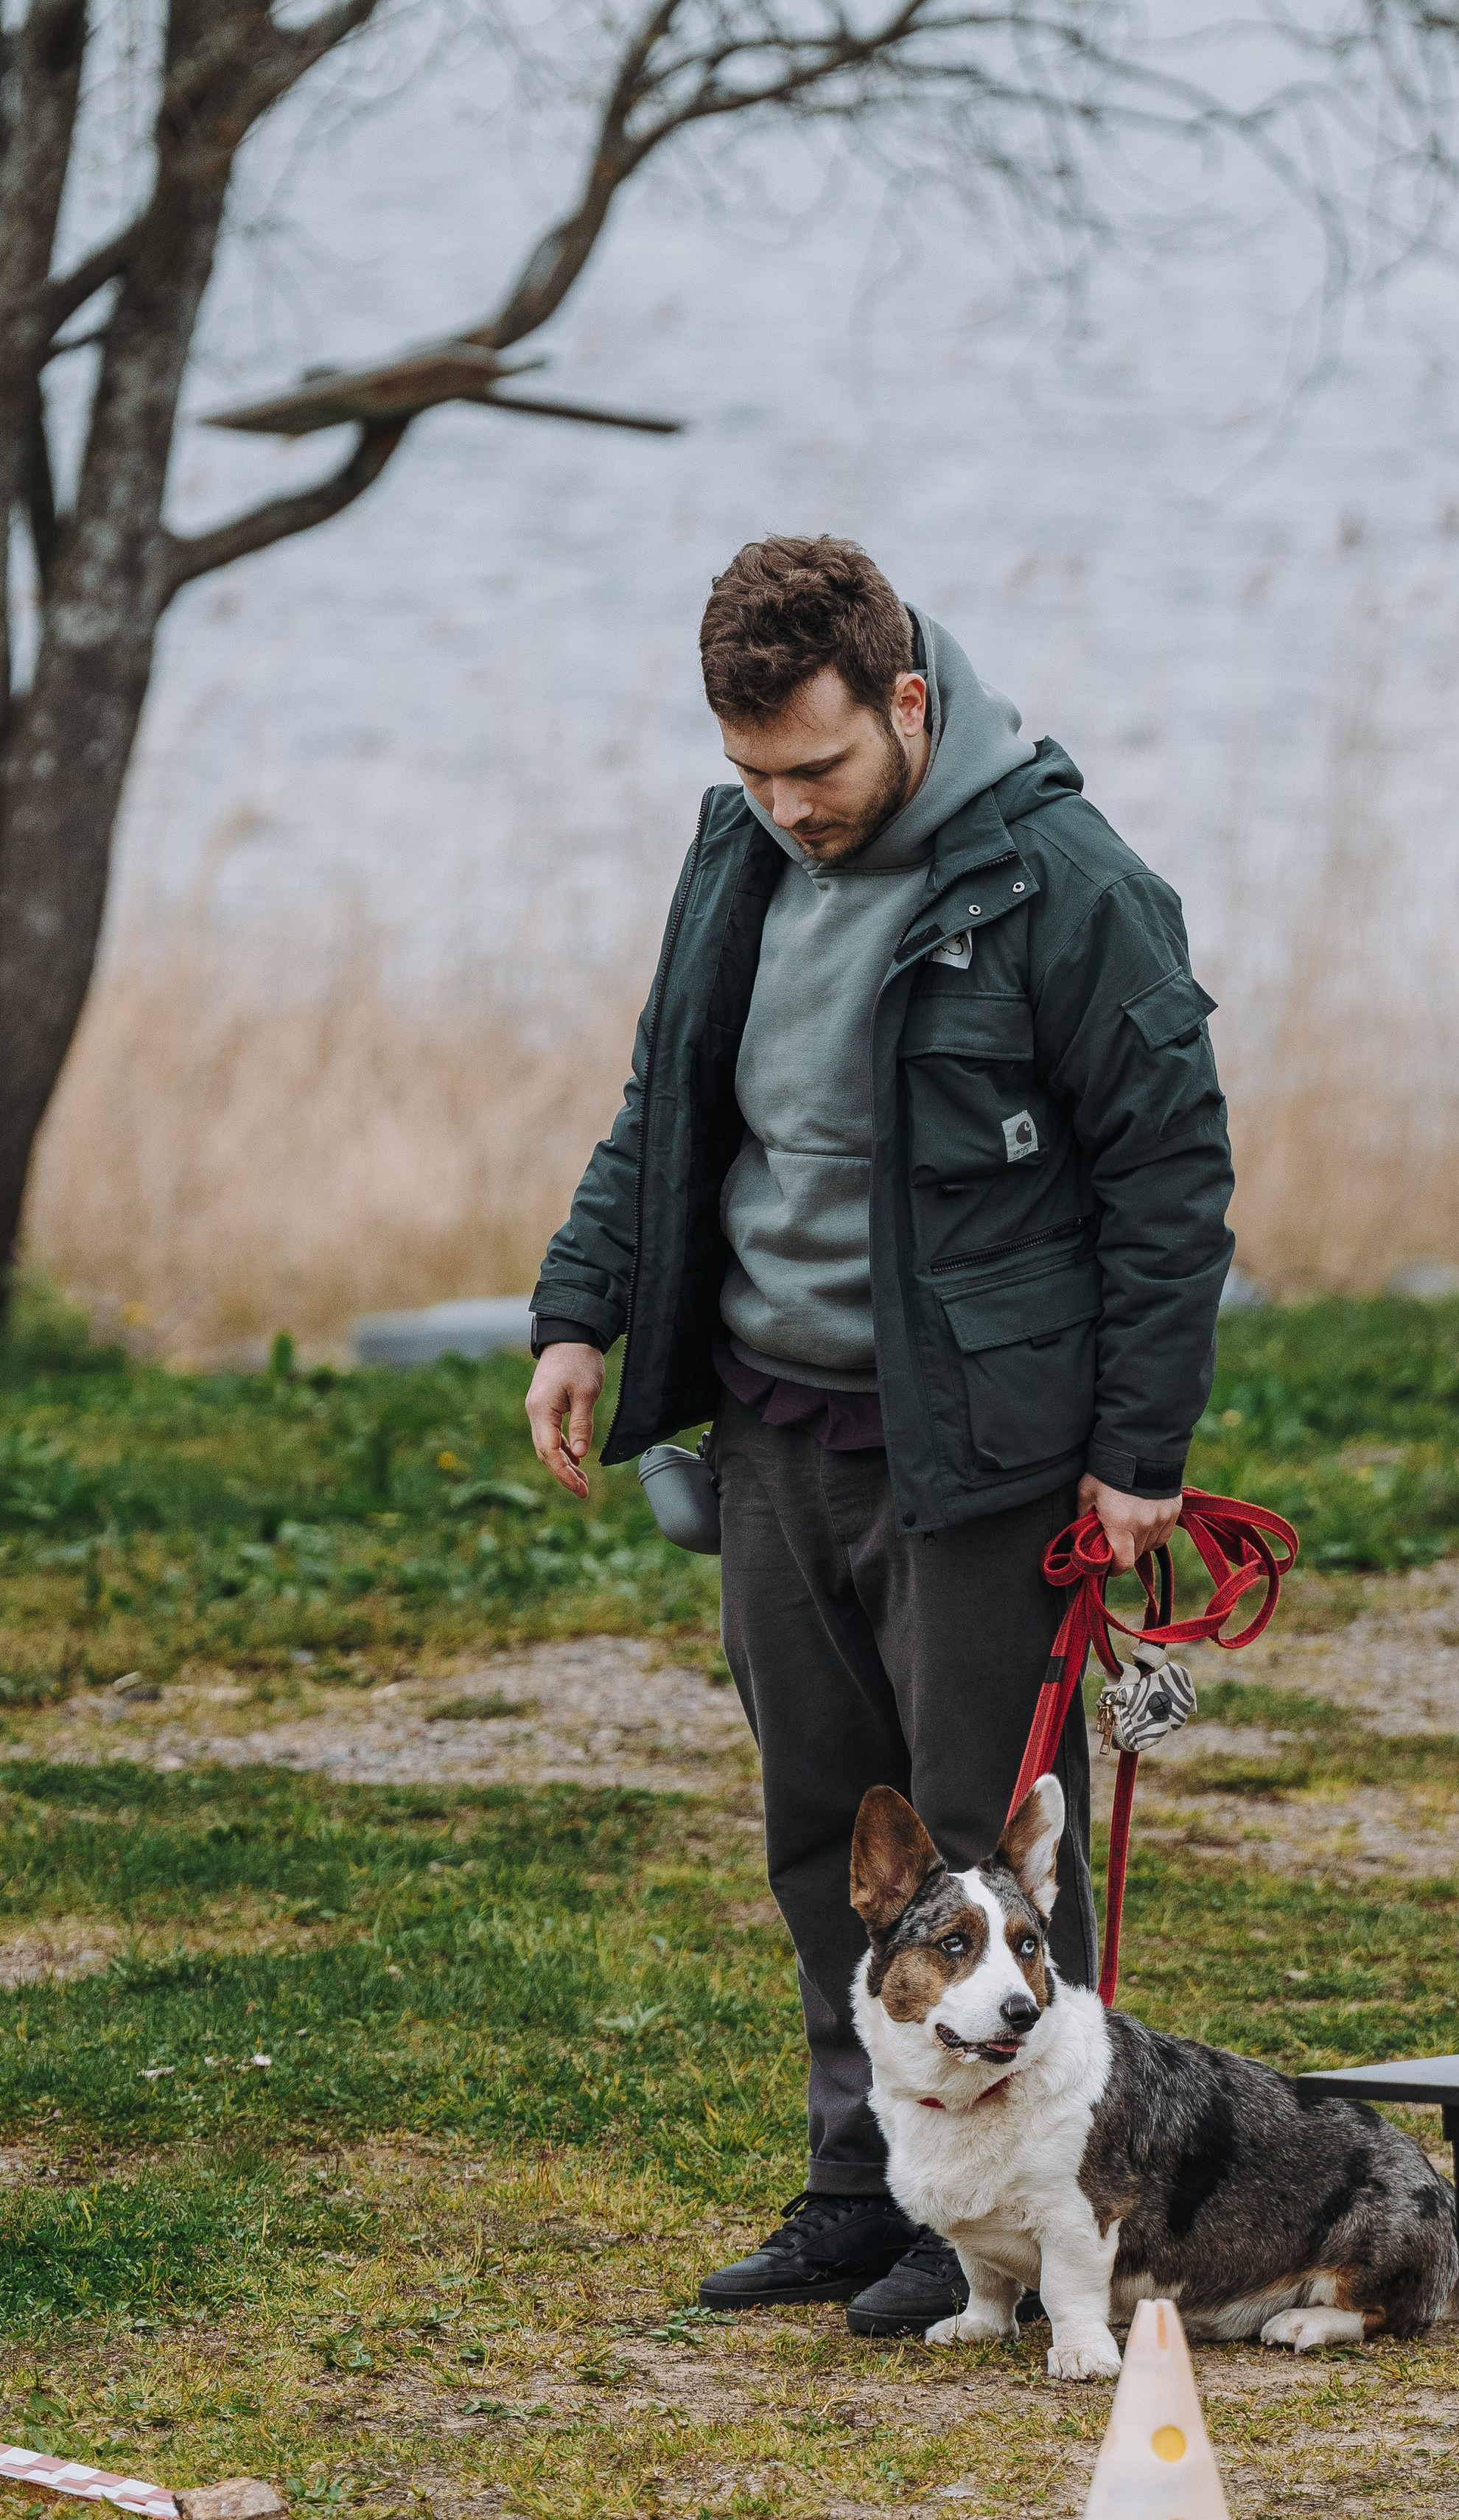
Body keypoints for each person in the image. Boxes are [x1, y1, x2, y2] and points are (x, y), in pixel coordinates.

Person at [525, 536, 1234, 2334]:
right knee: (825, 1836)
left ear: (909, 702)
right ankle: (866, 2190)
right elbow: (663, 1110)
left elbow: (1169, 1175)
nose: (787, 804)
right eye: (752, 770)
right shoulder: (735, 856)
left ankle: (996, 2224)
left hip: (981, 1457)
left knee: (986, 1850)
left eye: (817, 766)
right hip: (771, 1428)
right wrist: (577, 1307)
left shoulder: (1067, 882)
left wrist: (1139, 1445)